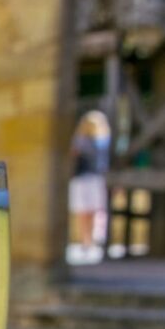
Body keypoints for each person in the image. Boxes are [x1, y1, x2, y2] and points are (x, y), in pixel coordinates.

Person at [68, 110, 111, 264]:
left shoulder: (104, 140)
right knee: (82, 212)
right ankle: (85, 241)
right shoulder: (80, 140)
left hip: (95, 178)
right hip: (82, 179)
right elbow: (72, 157)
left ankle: (90, 241)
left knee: (93, 211)